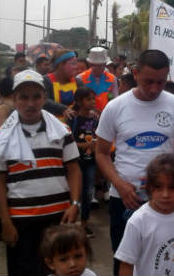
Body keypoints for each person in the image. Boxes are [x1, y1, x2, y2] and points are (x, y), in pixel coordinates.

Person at [95, 49, 174, 275]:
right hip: (125, 201)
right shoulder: (115, 107)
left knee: (164, 257)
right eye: (149, 81)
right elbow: (101, 153)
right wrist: (119, 184)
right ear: (135, 73)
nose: (155, 89)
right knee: (124, 260)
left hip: (165, 200)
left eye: (161, 82)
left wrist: (169, 185)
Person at [0, 69, 82, 276]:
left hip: (58, 218)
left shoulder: (62, 131)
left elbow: (73, 169)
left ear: (45, 98)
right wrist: (5, 221)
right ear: (14, 98)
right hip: (21, 221)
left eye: (36, 96)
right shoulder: (1, 137)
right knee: (24, 270)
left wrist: (75, 204)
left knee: (60, 269)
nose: (30, 103)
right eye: (23, 97)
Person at [68, 87, 99, 237]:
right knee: (74, 192)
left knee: (87, 192)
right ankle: (71, 222)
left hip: (90, 161)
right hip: (74, 161)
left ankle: (84, 223)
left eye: (93, 98)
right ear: (79, 102)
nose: (92, 102)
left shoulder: (95, 118)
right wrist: (85, 146)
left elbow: (99, 136)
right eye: (89, 99)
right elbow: (68, 143)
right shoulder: (72, 118)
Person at [77, 47, 119, 113]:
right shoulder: (80, 78)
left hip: (106, 114)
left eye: (101, 65)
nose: (99, 68)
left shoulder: (112, 78)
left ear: (105, 64)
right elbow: (77, 101)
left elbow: (115, 99)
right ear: (90, 64)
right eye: (96, 65)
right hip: (87, 117)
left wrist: (109, 95)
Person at [44, 49, 80, 120]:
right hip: (53, 125)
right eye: (73, 64)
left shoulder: (78, 82)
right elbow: (44, 100)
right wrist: (63, 109)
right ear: (61, 65)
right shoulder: (46, 80)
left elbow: (85, 99)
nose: (76, 67)